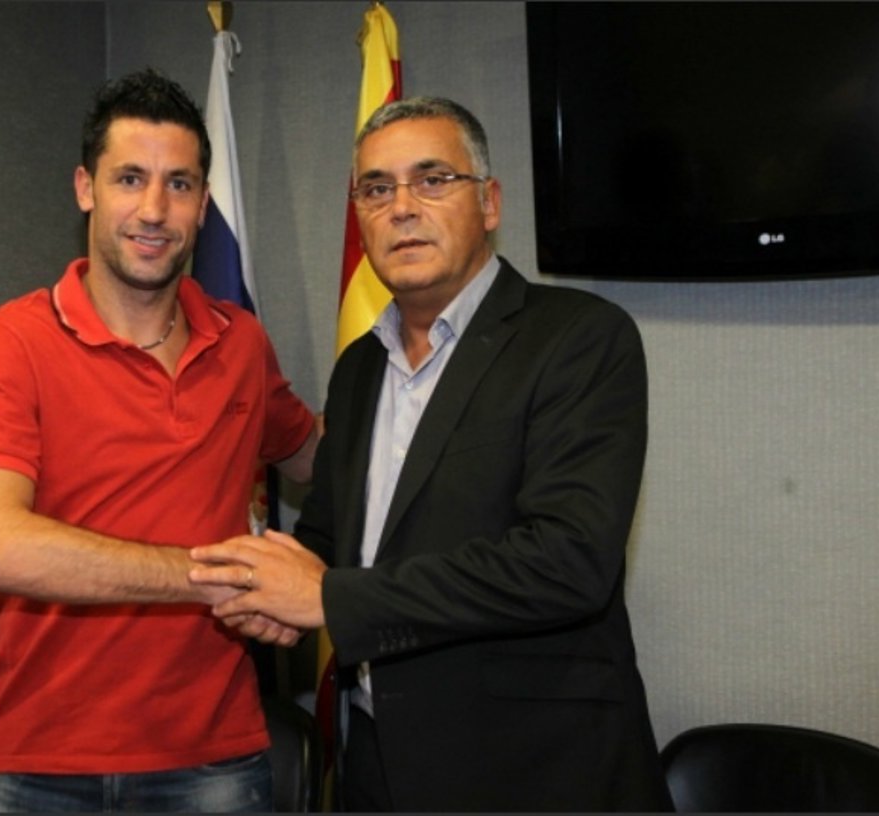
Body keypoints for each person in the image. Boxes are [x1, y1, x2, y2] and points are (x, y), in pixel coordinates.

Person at [190, 96, 674, 811]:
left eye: (433, 179)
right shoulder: (359, 369)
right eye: (376, 188)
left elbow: (569, 562)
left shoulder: (579, 338)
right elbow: (327, 541)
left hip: (533, 773)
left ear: (490, 203)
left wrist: (330, 599)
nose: (402, 208)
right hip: (376, 765)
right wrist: (267, 596)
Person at [0, 68, 317, 813]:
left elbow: (322, 458)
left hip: (214, 761)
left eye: (179, 184)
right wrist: (217, 579)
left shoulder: (241, 344)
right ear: (86, 187)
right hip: (40, 767)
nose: (154, 210)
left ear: (203, 203)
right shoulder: (9, 344)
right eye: (130, 179)